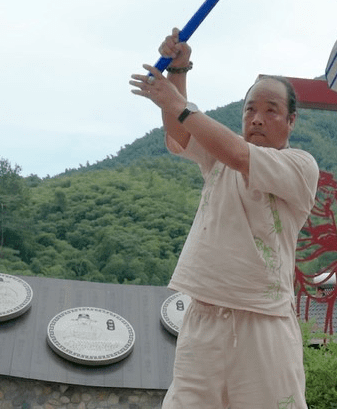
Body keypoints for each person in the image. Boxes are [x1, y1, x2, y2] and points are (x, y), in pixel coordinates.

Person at [130, 28, 319, 409]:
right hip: (203, 316)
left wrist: (177, 101)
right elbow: (182, 134)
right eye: (250, 109)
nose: (258, 118)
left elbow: (239, 155)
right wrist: (180, 69)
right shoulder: (218, 156)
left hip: (263, 322)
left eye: (271, 110)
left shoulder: (299, 166)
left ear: (291, 121)